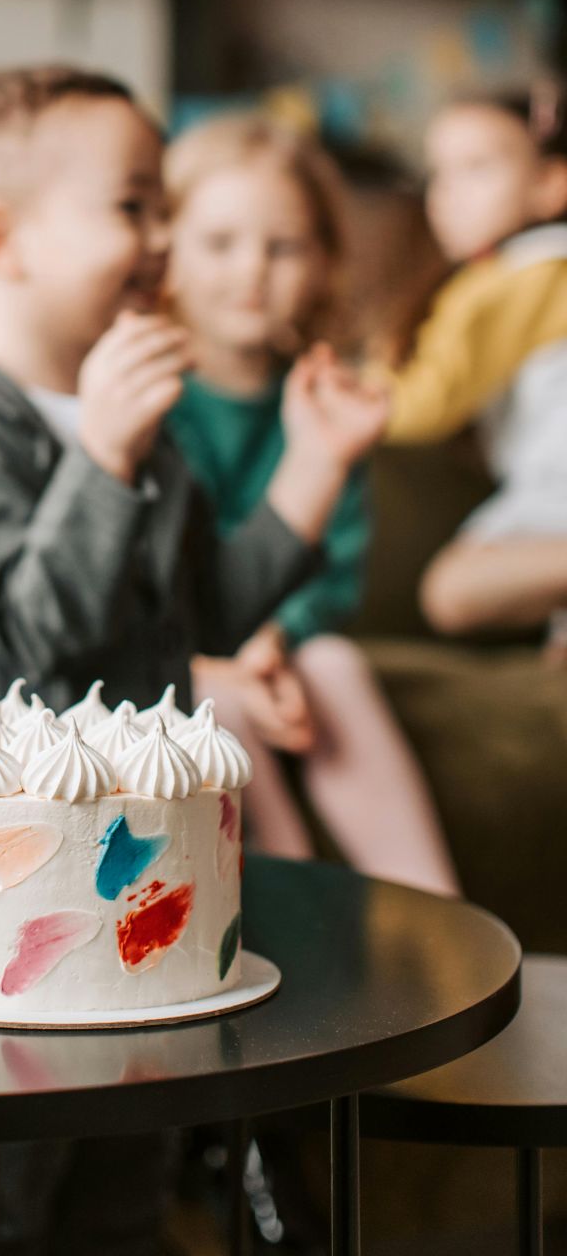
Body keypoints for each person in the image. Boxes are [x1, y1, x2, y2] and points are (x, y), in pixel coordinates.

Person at [0, 67, 390, 1256]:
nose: (163, 240)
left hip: (145, 898)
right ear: (1, 240)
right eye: (135, 206)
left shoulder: (143, 420)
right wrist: (100, 462)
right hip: (9, 911)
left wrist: (314, 468)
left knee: (122, 1207)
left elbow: (209, 609)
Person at [165, 115, 459, 895]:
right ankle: (290, 904)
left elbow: (335, 571)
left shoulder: (327, 398)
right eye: (221, 243)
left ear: (325, 260)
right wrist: (234, 661)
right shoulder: (150, 399)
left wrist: (273, 641)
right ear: (169, 253)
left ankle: (433, 912)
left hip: (282, 651)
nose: (253, 271)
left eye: (284, 246)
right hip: (184, 661)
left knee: (333, 659)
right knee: (213, 701)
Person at [378, 87, 567, 654]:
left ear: (551, 184)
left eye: (478, 168)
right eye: (439, 174)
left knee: (450, 593)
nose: (448, 194)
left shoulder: (517, 276)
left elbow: (428, 402)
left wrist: (351, 393)